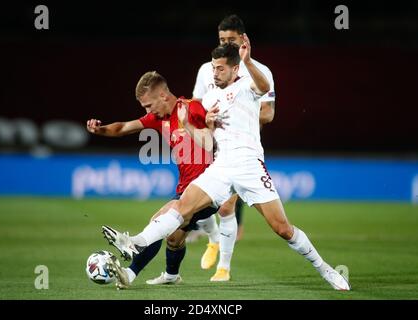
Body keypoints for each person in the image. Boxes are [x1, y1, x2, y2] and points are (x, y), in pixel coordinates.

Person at [103, 39, 351, 291]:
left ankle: (325, 269)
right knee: (180, 207)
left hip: (249, 165)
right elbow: (208, 143)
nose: (215, 73)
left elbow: (264, 86)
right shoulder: (208, 99)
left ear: (234, 69)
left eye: (221, 68)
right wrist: (193, 124)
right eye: (213, 67)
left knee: (283, 229)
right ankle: (135, 241)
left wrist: (248, 61)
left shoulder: (247, 85)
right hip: (221, 166)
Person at [86, 71, 232, 289]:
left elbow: (218, 136)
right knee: (173, 238)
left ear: (163, 95)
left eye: (148, 105)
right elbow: (124, 128)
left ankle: (130, 269)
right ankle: (172, 275)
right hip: (185, 187)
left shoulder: (192, 108)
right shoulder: (159, 118)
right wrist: (100, 129)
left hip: (209, 186)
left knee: (160, 220)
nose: (147, 111)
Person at [187, 14, 276, 280]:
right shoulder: (208, 69)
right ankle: (212, 238)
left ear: (243, 40)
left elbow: (268, 114)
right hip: (213, 144)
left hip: (244, 150)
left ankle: (223, 267)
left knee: (226, 207)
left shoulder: (259, 71)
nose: (226, 44)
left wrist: (235, 113)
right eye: (221, 39)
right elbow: (197, 107)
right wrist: (205, 121)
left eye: (231, 40)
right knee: (193, 200)